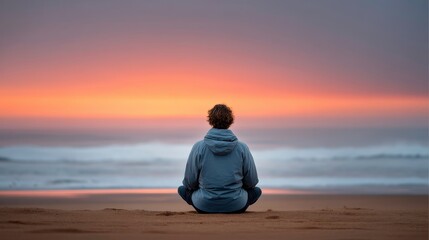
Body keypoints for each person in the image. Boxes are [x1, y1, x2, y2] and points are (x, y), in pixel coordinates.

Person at [178, 104, 261, 213]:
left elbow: (189, 183)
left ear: (210, 120)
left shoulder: (199, 147)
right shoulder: (242, 148)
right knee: (256, 191)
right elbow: (252, 182)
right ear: (230, 121)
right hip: (236, 205)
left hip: (204, 205)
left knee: (182, 189)